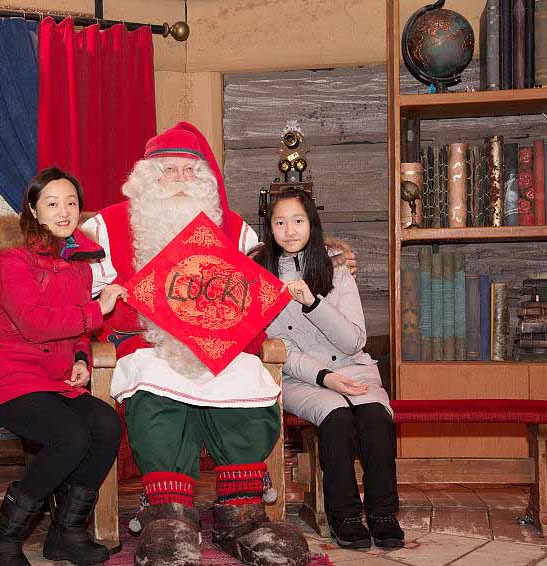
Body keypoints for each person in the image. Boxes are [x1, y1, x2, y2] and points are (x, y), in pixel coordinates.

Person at [81, 122, 356, 566]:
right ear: (147, 177)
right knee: (156, 380)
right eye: (169, 170)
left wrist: (329, 252)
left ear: (206, 179)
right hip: (148, 344)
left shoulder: (235, 229)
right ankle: (168, 513)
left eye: (190, 171)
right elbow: (78, 294)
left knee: (246, 376)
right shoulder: (105, 227)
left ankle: (241, 513)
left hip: (222, 343)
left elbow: (273, 272)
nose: (180, 180)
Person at [0, 167, 127, 566]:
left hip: (53, 379)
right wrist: (98, 309)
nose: (64, 212)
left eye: (71, 203)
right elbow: (35, 324)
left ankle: (66, 535)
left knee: (106, 425)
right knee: (70, 436)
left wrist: (80, 358)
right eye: (53, 203)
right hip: (9, 377)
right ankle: (1, 541)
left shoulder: (79, 263)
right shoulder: (13, 259)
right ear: (33, 210)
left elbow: (76, 330)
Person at [258, 189, 404, 550]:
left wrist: (313, 302)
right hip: (301, 377)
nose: (290, 230)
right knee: (337, 418)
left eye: (298, 221)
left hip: (353, 367)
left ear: (312, 223)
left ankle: (383, 513)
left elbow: (354, 340)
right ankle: (345, 515)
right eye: (280, 222)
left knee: (375, 417)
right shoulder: (261, 277)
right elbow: (281, 348)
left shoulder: (337, 269)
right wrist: (325, 377)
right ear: (270, 228)